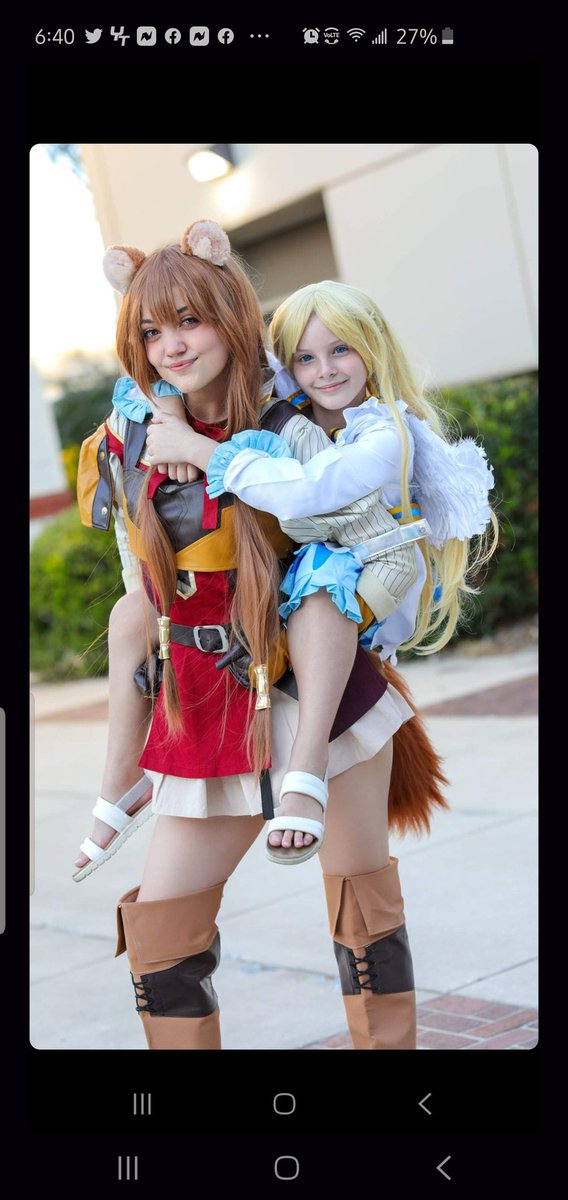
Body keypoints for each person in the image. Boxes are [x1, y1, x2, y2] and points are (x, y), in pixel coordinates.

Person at [75, 220, 494, 1050]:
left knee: (363, 916)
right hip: (205, 705)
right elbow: (136, 568)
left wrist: (360, 617)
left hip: (314, 698)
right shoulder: (128, 433)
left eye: (190, 321)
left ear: (229, 315)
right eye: (151, 331)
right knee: (161, 937)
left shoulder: (294, 419)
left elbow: (377, 532)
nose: (171, 346)